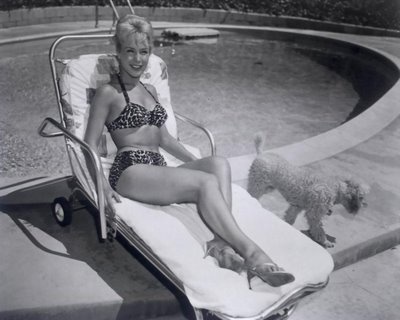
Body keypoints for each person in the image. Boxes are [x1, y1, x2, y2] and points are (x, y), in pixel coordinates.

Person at [84, 14, 294, 288]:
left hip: (157, 168)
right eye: (130, 51)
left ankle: (221, 244)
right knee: (205, 182)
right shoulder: (108, 93)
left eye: (144, 51)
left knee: (218, 165)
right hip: (130, 170)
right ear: (118, 52)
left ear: (151, 52)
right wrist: (101, 185)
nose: (138, 59)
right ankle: (252, 253)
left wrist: (200, 165)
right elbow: (88, 144)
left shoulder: (150, 91)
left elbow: (166, 140)